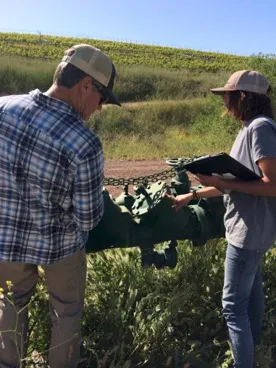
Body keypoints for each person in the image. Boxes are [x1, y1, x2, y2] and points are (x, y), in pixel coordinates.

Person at [0, 44, 120, 367]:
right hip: (60, 249)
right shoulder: (84, 143)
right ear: (85, 85)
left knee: (9, 304)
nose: (99, 107)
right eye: (102, 98)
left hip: (6, 243)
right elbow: (88, 217)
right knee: (65, 313)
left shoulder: (3, 108)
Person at [171, 70, 276, 367]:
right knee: (251, 296)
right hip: (253, 231)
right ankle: (252, 353)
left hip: (248, 232)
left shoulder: (260, 128)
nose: (225, 103)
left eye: (228, 96)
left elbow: (272, 183)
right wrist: (191, 195)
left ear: (243, 97)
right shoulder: (249, 128)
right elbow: (233, 180)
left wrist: (227, 184)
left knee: (232, 307)